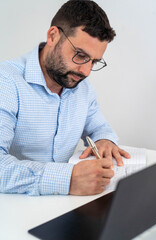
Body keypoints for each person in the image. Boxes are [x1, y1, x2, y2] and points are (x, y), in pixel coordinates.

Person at [0, 0, 130, 196]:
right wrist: (67, 179)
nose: (86, 71)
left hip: (63, 206)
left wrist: (105, 140)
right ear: (53, 36)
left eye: (93, 61)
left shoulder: (81, 86)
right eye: (79, 55)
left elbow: (99, 127)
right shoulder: (7, 82)